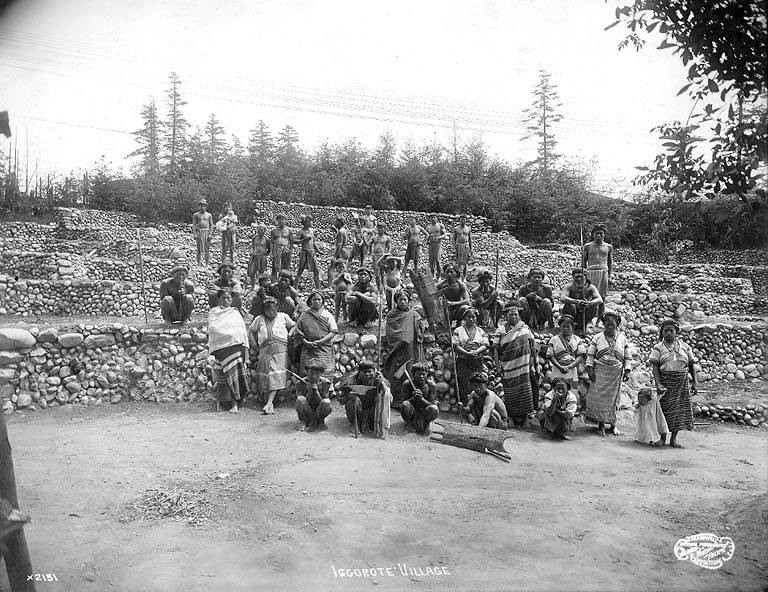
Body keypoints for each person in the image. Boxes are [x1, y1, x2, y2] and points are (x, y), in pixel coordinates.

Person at [648, 319, 698, 448]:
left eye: (672, 331)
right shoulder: (658, 347)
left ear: (677, 333)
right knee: (663, 411)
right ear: (662, 333)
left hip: (681, 383)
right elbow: (655, 367)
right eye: (666, 331)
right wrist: (658, 384)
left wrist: (695, 383)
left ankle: (674, 439)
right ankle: (662, 438)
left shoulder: (685, 347)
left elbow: (692, 365)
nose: (669, 333)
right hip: (665, 383)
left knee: (679, 411)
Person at [585, 310, 631, 437]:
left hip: (616, 373)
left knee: (614, 400)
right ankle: (601, 425)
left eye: (612, 324)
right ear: (603, 325)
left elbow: (627, 357)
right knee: (600, 399)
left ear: (617, 324)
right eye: (607, 324)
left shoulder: (622, 338)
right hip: (600, 371)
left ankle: (613, 425)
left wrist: (627, 370)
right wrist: (590, 369)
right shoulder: (597, 337)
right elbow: (590, 354)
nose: (610, 326)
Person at [249, 296, 296, 415]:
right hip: (265, 352)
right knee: (265, 376)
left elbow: (294, 325)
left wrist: (290, 333)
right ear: (264, 310)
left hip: (280, 352)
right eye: (268, 310)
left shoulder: (283, 316)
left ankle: (269, 403)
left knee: (275, 375)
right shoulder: (259, 319)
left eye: (273, 309)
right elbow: (251, 330)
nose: (271, 312)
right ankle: (269, 402)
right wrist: (253, 342)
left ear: (277, 309)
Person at [494, 302, 538, 427]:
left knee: (525, 392)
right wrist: (498, 366)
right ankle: (512, 418)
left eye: (516, 314)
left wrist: (532, 365)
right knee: (510, 393)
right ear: (505, 316)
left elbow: (532, 347)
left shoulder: (524, 328)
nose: (514, 317)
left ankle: (524, 420)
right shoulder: (501, 329)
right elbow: (496, 349)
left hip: (523, 367)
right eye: (511, 314)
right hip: (508, 366)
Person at [208, 289, 250, 413]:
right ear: (218, 299)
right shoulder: (214, 312)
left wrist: (232, 337)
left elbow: (241, 332)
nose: (226, 300)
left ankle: (234, 403)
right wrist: (229, 335)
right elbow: (214, 329)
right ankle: (222, 401)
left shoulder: (235, 313)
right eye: (223, 298)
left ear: (232, 300)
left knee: (234, 376)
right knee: (222, 377)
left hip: (235, 349)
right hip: (220, 350)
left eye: (228, 298)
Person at [383, 290, 424, 407]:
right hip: (397, 349)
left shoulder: (414, 314)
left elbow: (421, 326)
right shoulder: (392, 315)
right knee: (395, 374)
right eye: (400, 300)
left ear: (409, 301)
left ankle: (409, 399)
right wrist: (401, 340)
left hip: (410, 350)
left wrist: (419, 324)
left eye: (405, 299)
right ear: (396, 301)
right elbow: (391, 331)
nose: (403, 302)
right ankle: (395, 400)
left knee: (409, 372)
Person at [338, 360, 392, 438]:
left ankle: (372, 424)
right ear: (359, 373)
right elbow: (341, 401)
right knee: (353, 401)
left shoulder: (379, 381)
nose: (367, 374)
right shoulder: (351, 382)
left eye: (369, 371)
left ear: (374, 372)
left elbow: (389, 400)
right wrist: (348, 396)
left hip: (372, 412)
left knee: (381, 399)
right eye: (364, 372)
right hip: (357, 410)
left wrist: (382, 385)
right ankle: (355, 424)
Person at [295, 291, 338, 380]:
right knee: (306, 371)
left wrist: (321, 341)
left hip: (324, 347)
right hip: (308, 348)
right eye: (314, 300)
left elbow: (333, 331)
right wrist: (306, 342)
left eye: (319, 299)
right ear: (310, 301)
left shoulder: (327, 315)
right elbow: (298, 332)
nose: (317, 302)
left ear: (322, 301)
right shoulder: (304, 315)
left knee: (325, 371)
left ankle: (326, 389)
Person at [453, 307, 490, 404]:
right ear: (464, 318)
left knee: (478, 382)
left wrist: (476, 351)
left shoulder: (480, 331)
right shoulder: (458, 330)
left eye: (473, 317)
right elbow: (455, 345)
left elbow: (485, 344)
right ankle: (465, 406)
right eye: (469, 317)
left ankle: (477, 405)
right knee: (463, 382)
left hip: (476, 361)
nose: (471, 319)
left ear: (476, 318)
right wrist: (466, 353)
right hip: (463, 360)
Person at [582, 223, 613, 323]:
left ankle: (599, 321)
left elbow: (610, 262)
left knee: (602, 298)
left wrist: (610, 276)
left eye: (601, 233)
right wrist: (583, 273)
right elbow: (583, 261)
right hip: (591, 272)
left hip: (603, 272)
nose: (598, 235)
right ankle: (588, 320)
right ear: (593, 235)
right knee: (589, 296)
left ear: (604, 235)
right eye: (596, 233)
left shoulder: (608, 247)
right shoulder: (588, 246)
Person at [546, 314, 586, 389]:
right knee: (557, 391)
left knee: (572, 393)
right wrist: (560, 367)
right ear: (560, 327)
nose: (565, 328)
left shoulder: (577, 340)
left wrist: (570, 366)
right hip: (557, 369)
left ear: (572, 328)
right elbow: (550, 355)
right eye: (563, 326)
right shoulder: (554, 340)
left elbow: (581, 355)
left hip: (572, 369)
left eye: (568, 326)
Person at [400, 362, 439, 433]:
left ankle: (425, 423)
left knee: (434, 409)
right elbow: (403, 403)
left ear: (427, 373)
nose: (421, 376)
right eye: (419, 374)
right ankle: (410, 423)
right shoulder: (407, 384)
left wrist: (421, 399)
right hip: (412, 412)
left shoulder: (431, 385)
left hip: (425, 412)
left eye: (423, 374)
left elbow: (432, 404)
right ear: (413, 374)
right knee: (405, 404)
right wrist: (413, 398)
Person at [561, 268, 602, 334]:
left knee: (594, 306)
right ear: (573, 277)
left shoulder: (591, 287)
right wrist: (575, 301)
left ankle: (585, 324)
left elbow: (600, 300)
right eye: (576, 277)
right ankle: (572, 325)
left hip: (585, 312)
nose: (579, 279)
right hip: (572, 311)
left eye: (581, 277)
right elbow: (563, 298)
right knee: (570, 305)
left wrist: (589, 303)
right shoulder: (569, 286)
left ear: (585, 277)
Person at [295, 360, 333, 432]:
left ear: (321, 373)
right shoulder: (300, 383)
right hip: (306, 410)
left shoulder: (325, 383)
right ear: (306, 372)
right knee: (300, 399)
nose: (314, 376)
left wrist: (316, 392)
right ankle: (304, 421)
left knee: (326, 402)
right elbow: (301, 403)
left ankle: (321, 421)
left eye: (317, 373)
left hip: (318, 410)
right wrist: (309, 393)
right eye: (311, 372)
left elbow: (324, 402)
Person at [294, 215, 321, 289]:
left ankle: (318, 287)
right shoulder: (301, 231)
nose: (311, 223)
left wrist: (318, 250)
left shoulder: (312, 231)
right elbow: (294, 240)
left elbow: (314, 242)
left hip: (312, 252)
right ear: (305, 222)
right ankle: (295, 286)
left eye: (311, 221)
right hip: (304, 252)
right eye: (309, 221)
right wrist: (303, 240)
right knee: (300, 270)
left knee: (316, 270)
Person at [270, 215, 293, 281]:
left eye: (283, 219)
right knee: (275, 266)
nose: (281, 221)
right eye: (279, 219)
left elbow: (291, 242)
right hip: (277, 249)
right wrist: (271, 252)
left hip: (286, 249)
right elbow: (272, 242)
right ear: (277, 221)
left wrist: (290, 251)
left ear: (285, 220)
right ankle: (274, 281)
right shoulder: (274, 231)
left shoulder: (289, 230)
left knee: (285, 266)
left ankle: (285, 281)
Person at [328, 217, 350, 286]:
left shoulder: (340, 231)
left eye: (336, 222)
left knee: (331, 268)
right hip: (345, 250)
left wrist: (335, 255)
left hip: (341, 251)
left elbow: (339, 244)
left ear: (340, 222)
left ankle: (330, 285)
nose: (335, 223)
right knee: (342, 268)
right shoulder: (344, 230)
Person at [192, 198, 213, 267]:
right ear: (199, 206)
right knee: (199, 249)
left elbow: (211, 225)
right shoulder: (196, 215)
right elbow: (194, 225)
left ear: (206, 206)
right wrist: (194, 234)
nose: (202, 207)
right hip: (199, 232)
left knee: (207, 249)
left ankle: (207, 264)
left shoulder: (209, 215)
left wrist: (210, 234)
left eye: (204, 206)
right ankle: (198, 264)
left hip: (206, 231)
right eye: (201, 205)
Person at [426, 214, 448, 280]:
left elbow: (444, 234)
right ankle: (433, 275)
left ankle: (439, 276)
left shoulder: (440, 225)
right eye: (431, 217)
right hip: (431, 245)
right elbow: (427, 236)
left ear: (436, 218)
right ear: (429, 219)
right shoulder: (428, 227)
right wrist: (427, 241)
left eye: (434, 217)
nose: (433, 219)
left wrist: (439, 237)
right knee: (431, 261)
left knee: (438, 260)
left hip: (437, 244)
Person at [452, 215, 472, 279]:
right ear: (459, 220)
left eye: (464, 219)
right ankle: (459, 277)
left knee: (465, 262)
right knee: (458, 262)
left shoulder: (468, 228)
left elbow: (470, 239)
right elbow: (453, 238)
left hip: (466, 246)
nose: (463, 220)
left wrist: (471, 248)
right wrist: (454, 247)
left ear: (466, 220)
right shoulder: (456, 228)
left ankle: (464, 277)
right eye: (461, 219)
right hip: (458, 246)